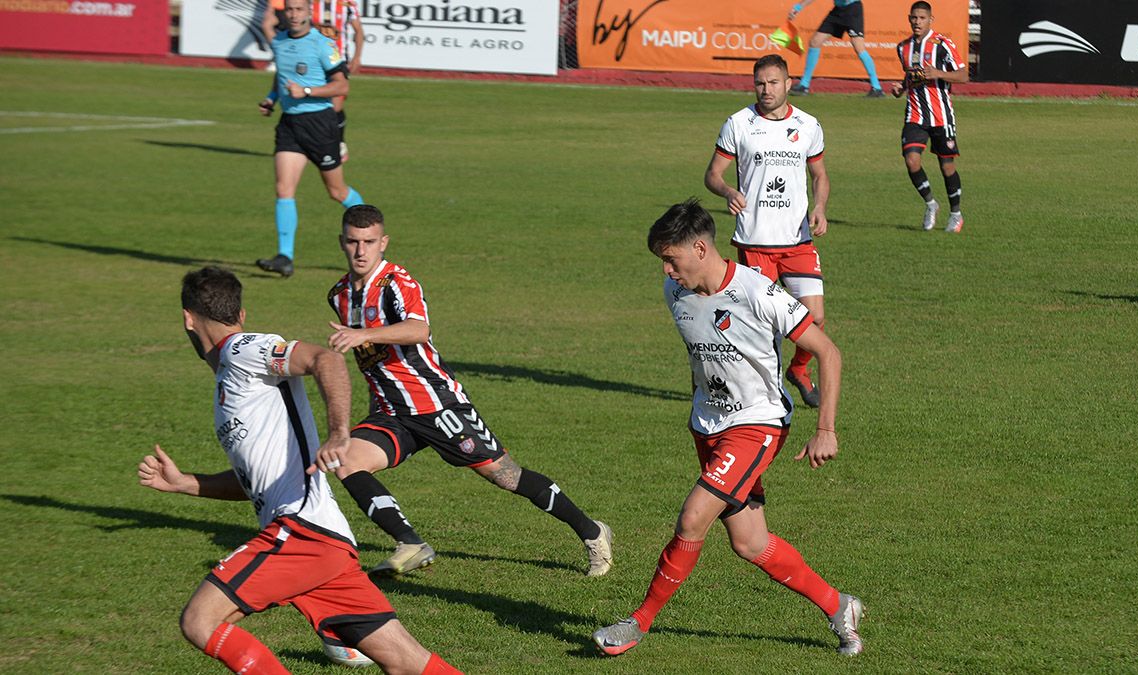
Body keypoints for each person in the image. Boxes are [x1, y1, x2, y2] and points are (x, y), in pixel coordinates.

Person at [138, 267, 459, 675]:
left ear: (188, 318)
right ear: (240, 311)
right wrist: (186, 484)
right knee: (407, 663)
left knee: (200, 621)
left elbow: (325, 359)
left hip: (302, 534)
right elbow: (258, 480)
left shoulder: (243, 350)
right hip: (326, 545)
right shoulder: (231, 378)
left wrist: (339, 432)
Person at [592, 200, 863, 657]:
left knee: (693, 517)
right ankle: (840, 606)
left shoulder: (759, 293)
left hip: (758, 424)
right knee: (749, 542)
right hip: (708, 426)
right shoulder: (673, 292)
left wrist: (826, 429)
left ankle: (637, 624)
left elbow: (828, 352)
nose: (667, 270)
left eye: (671, 259)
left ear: (700, 248)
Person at [314, 204, 614, 579]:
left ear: (383, 242)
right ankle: (410, 543)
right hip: (391, 412)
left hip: (438, 405)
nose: (361, 251)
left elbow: (418, 329)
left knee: (506, 476)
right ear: (342, 242)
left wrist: (365, 335)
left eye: (369, 242)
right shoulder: (339, 294)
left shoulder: (397, 283)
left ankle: (592, 531)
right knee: (346, 460)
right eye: (354, 242)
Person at [704, 54, 829, 408]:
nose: (766, 90)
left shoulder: (808, 125)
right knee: (767, 327)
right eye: (760, 83)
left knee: (815, 316)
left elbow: (819, 175)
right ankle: (771, 395)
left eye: (774, 82)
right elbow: (713, 174)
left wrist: (819, 207)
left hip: (797, 240)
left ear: (789, 84)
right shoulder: (739, 124)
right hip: (755, 242)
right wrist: (728, 191)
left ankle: (799, 370)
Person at [255, 0, 365, 279]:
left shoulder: (322, 44)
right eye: (289, 9)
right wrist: (272, 98)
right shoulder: (279, 42)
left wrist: (306, 90)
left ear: (309, 13)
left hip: (319, 124)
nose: (293, 15)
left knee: (337, 192)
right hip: (290, 125)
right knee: (283, 189)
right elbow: (282, 76)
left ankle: (370, 234)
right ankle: (285, 257)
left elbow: (342, 85)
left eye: (299, 10)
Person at [890, 1, 968, 232]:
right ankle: (931, 204)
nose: (917, 22)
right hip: (915, 114)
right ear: (909, 19)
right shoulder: (903, 47)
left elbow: (963, 75)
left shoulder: (942, 45)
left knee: (947, 167)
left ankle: (956, 214)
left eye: (922, 18)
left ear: (930, 20)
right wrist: (901, 88)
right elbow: (911, 77)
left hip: (941, 116)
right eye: (914, 18)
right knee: (911, 160)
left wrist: (938, 73)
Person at [263, 0, 363, 162]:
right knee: (310, 102)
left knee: (336, 106)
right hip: (311, 61)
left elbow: (358, 30)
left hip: (336, 60)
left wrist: (357, 56)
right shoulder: (311, 5)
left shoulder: (347, 4)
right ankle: (310, 145)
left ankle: (337, 142)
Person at [788, 0, 884, 97]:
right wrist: (798, 7)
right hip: (838, 10)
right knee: (815, 42)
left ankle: (876, 88)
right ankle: (804, 85)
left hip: (852, 9)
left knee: (859, 46)